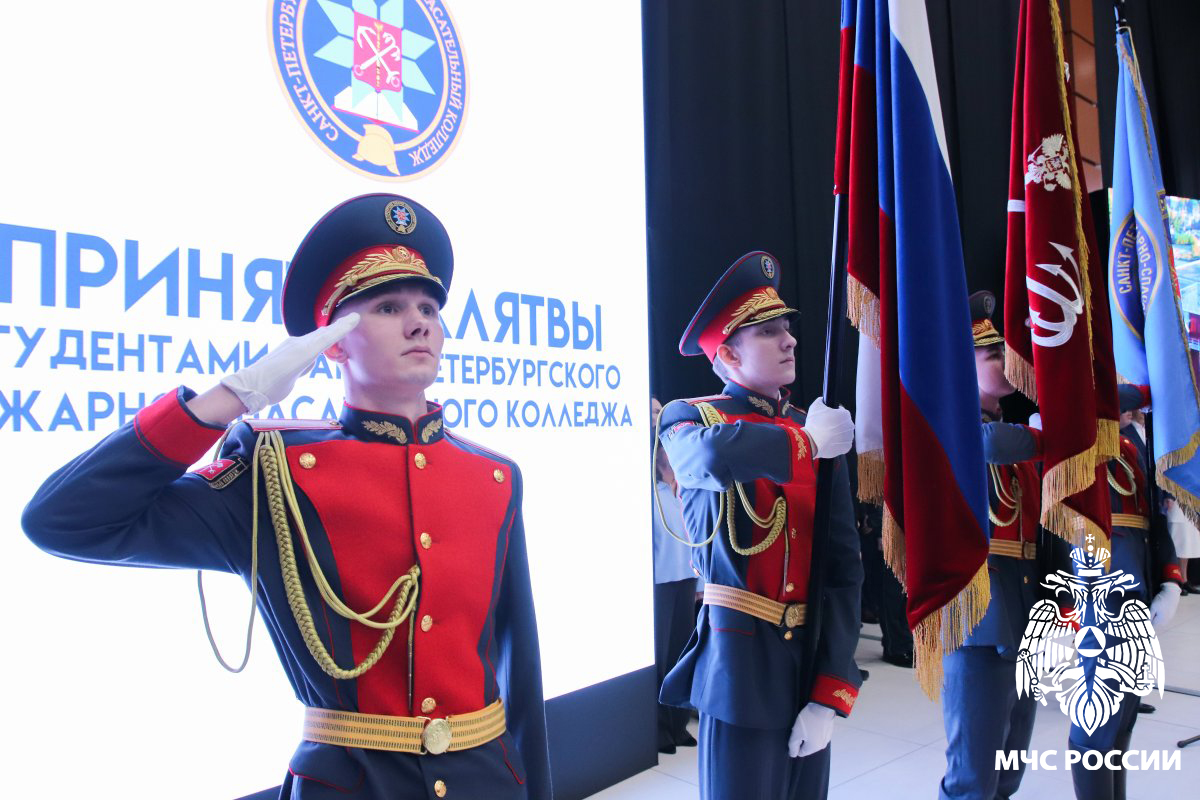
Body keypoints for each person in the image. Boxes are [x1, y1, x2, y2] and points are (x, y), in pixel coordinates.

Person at [23, 194, 552, 800]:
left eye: (428, 308)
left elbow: (519, 662)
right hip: (352, 785)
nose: (419, 323)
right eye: (387, 307)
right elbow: (64, 520)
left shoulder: (493, 476)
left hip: (487, 780)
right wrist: (225, 400)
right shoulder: (275, 471)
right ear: (332, 343)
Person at [656, 251, 861, 800]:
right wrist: (807, 444)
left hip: (808, 659)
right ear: (727, 353)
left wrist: (830, 691)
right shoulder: (691, 417)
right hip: (739, 668)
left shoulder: (812, 427)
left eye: (787, 328)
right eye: (769, 332)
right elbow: (709, 458)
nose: (789, 340)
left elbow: (843, 568)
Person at [938, 291, 1042, 800]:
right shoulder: (948, 422)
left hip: (1025, 616)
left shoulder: (1010, 434)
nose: (1008, 362)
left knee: (1007, 772)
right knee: (973, 778)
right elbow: (987, 445)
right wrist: (1052, 434)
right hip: (979, 619)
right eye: (994, 354)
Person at [650, 396, 700, 755]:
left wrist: (701, 582)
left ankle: (678, 725)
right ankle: (658, 731)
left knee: (683, 653)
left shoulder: (686, 480)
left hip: (686, 578)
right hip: (657, 582)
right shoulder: (645, 485)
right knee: (659, 657)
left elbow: (700, 533)